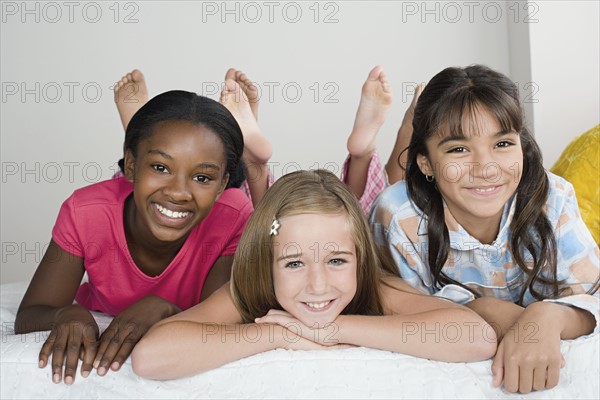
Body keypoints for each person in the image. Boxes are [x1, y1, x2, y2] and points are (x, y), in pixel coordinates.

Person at [130, 169, 497, 380]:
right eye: (293, 263)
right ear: (267, 261)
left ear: (359, 258)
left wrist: (328, 331)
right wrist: (276, 334)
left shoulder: (375, 287)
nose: (318, 285)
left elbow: (475, 337)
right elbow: (151, 357)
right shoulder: (248, 291)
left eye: (337, 261)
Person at [369, 65, 600, 394]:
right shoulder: (398, 217)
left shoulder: (554, 199)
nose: (486, 167)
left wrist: (546, 316)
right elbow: (406, 313)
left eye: (503, 144)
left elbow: (592, 299)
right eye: (459, 149)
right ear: (425, 163)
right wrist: (484, 308)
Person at [14, 91, 253, 385]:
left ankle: (256, 159)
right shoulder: (86, 213)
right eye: (160, 167)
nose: (178, 192)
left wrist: (165, 308)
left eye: (202, 178)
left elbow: (215, 320)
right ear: (130, 165)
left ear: (222, 186)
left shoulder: (232, 215)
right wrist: (68, 315)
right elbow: (30, 314)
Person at [113, 66, 414, 212]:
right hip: (311, 234)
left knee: (257, 224)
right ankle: (364, 154)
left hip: (266, 236)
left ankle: (144, 134)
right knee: (358, 222)